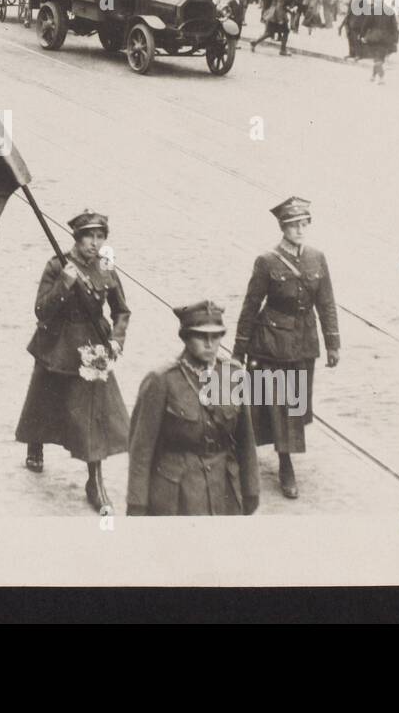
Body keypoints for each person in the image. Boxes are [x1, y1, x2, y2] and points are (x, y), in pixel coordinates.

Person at [15, 210, 130, 516]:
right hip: (58, 342)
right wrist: (64, 284)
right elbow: (41, 310)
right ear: (77, 239)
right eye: (89, 237)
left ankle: (95, 481)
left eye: (100, 236)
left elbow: (121, 310)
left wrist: (117, 339)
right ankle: (35, 442)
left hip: (93, 344)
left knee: (93, 413)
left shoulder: (106, 268)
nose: (95, 243)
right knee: (44, 399)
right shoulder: (57, 266)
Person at [232, 196, 340, 500]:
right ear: (283, 227)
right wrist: (239, 350)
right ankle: (285, 463)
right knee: (279, 404)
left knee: (297, 404)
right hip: (272, 344)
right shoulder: (267, 262)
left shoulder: (317, 258)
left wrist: (333, 343)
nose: (300, 230)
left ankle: (281, 454)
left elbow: (327, 303)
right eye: (293, 225)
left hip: (304, 343)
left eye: (304, 224)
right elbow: (251, 305)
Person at [126, 300, 259, 516]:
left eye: (216, 336)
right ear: (186, 337)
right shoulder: (161, 380)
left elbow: (246, 441)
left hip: (223, 487)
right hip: (177, 494)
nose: (210, 343)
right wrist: (137, 503)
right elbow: (141, 450)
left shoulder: (233, 375)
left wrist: (251, 490)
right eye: (201, 336)